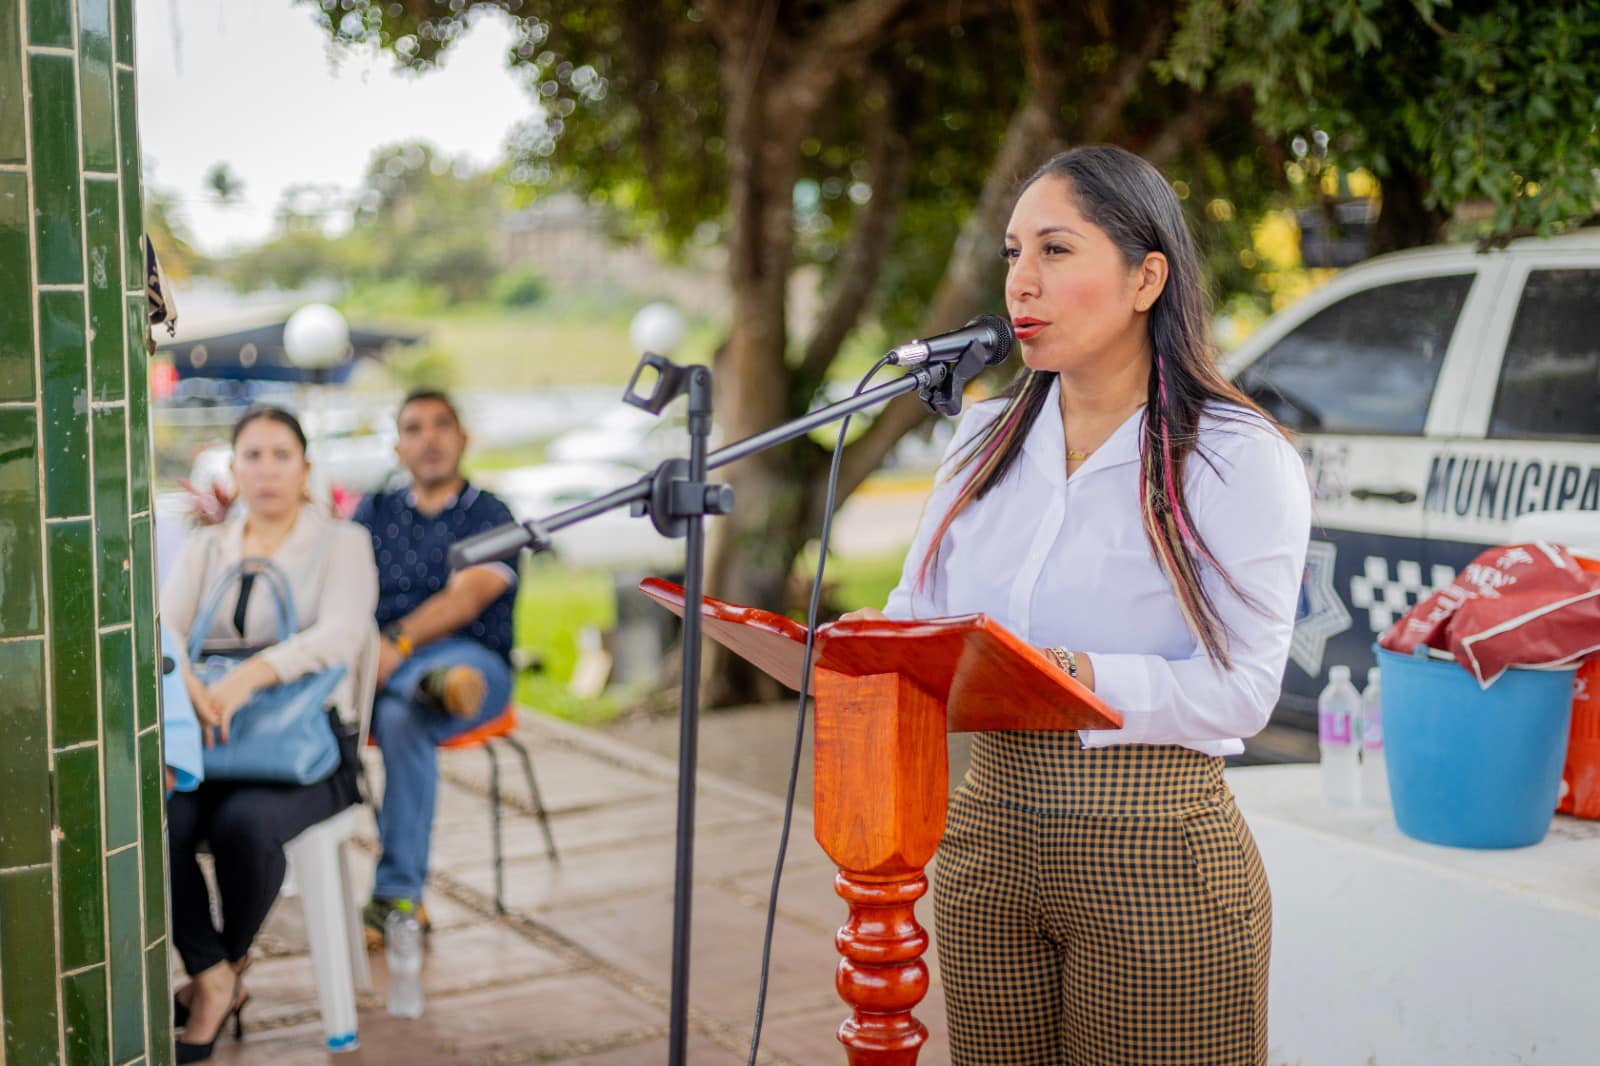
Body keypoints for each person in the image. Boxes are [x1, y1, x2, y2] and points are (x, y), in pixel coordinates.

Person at [842, 146, 1311, 1065]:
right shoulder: (981, 438)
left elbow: (1244, 691)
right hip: (987, 838)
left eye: (1056, 251)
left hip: (1155, 854)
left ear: (1146, 277)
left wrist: (1075, 678)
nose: (1022, 282)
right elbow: (913, 613)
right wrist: (854, 644)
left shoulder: (1234, 455)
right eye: (1014, 253)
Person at [161, 406, 378, 1063]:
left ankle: (213, 979)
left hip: (309, 755)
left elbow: (341, 635)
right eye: (251, 455)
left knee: (245, 830)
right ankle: (217, 972)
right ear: (233, 469)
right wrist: (193, 685)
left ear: (305, 468)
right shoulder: (208, 548)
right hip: (212, 743)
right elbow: (162, 625)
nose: (266, 469)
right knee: (156, 823)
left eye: (281, 454)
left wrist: (249, 676)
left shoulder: (343, 544)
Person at [353, 388, 520, 941]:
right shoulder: (373, 511)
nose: (429, 438)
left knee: (408, 692)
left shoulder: (491, 513)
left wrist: (394, 643)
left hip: (473, 660)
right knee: (403, 714)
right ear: (398, 446)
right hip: (383, 672)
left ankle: (396, 893)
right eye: (415, 428)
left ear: (462, 438)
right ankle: (395, 896)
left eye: (441, 425)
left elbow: (465, 598)